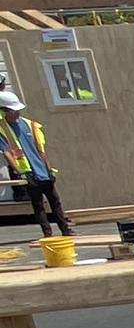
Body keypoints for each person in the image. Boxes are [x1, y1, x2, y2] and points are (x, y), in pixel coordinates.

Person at [0, 91, 74, 238]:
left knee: (55, 201)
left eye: (17, 110)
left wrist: (48, 168)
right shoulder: (2, 129)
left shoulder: (30, 125)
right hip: (28, 172)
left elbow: (41, 149)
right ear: (4, 111)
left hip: (42, 171)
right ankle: (48, 234)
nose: (17, 113)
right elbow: (7, 153)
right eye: (14, 110)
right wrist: (20, 172)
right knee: (38, 205)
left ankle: (66, 230)